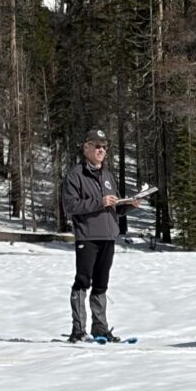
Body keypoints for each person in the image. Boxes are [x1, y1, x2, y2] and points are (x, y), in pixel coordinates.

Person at [60, 128, 144, 342]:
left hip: (108, 236)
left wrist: (129, 205)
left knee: (101, 284)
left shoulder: (107, 176)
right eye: (97, 146)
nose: (101, 150)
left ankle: (100, 328)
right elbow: (70, 205)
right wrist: (100, 202)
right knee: (82, 282)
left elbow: (112, 208)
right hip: (87, 236)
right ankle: (78, 330)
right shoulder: (75, 175)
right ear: (86, 147)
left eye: (104, 147)